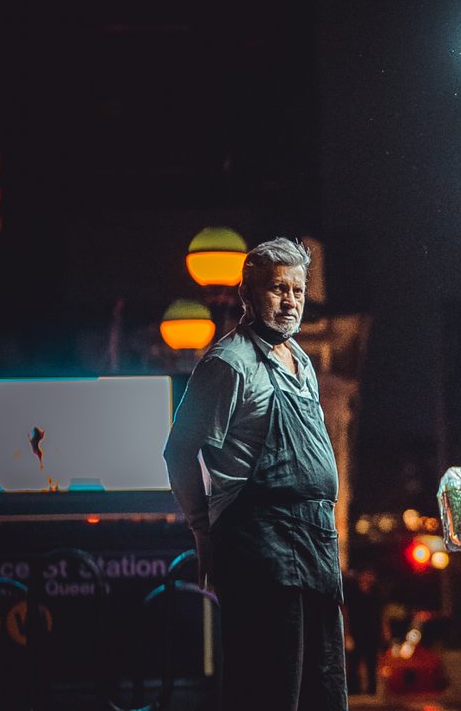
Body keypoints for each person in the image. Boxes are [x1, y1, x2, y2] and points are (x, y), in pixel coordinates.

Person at [164, 237, 347, 711]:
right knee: (267, 691)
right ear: (247, 295)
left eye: (298, 291)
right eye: (277, 289)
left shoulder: (301, 361)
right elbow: (178, 451)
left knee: (321, 692)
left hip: (316, 546)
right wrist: (202, 531)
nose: (290, 301)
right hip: (262, 547)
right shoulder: (229, 363)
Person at [343, 568, 386, 695]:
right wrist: (347, 633)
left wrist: (385, 631)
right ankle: (353, 690)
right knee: (354, 662)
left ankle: (372, 689)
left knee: (372, 662)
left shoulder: (376, 593)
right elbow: (346, 613)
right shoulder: (352, 593)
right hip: (357, 632)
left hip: (373, 632)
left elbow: (382, 613)